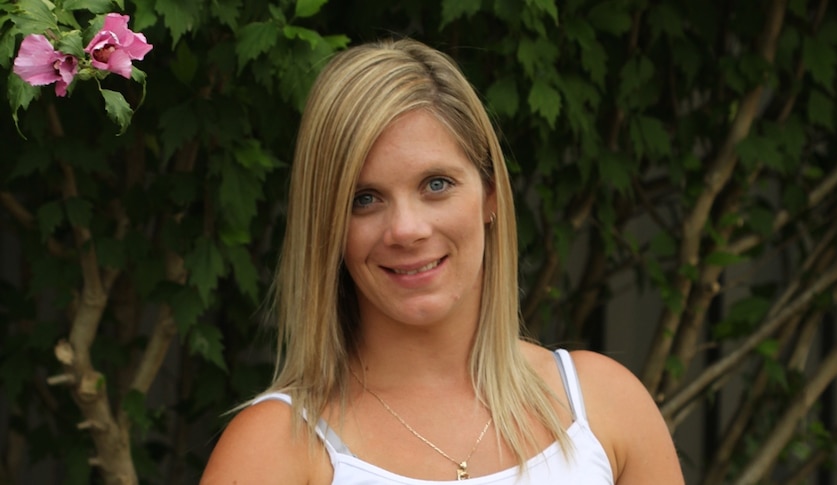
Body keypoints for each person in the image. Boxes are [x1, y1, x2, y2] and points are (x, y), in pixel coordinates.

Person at [200, 38, 684, 484]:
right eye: (364, 198)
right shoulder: (273, 449)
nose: (407, 229)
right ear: (327, 226)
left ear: (490, 195)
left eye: (436, 184)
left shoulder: (605, 406)